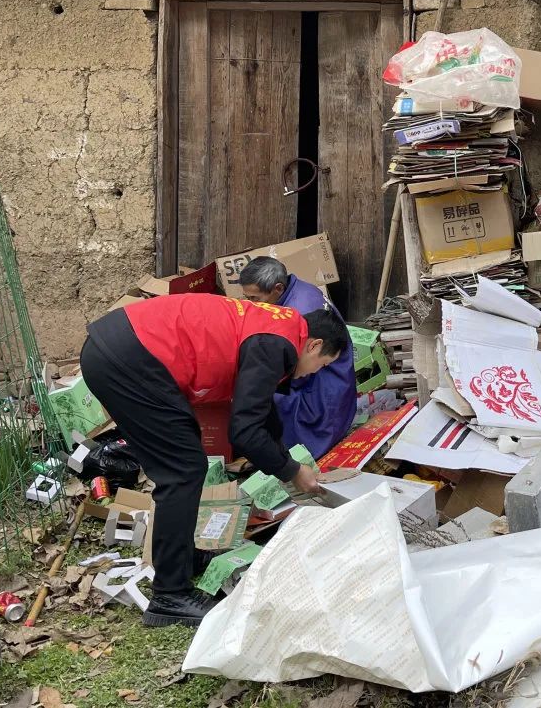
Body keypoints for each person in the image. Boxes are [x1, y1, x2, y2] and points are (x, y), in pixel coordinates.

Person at [80, 293, 348, 627]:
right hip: (128, 358)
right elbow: (244, 431)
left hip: (121, 349)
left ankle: (185, 558)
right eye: (322, 364)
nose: (314, 373)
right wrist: (292, 472)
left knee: (185, 461)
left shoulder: (279, 330)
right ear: (314, 345)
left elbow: (259, 412)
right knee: (183, 470)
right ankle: (170, 596)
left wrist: (284, 458)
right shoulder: (275, 344)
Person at [238, 257, 357, 460]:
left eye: (255, 298)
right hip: (318, 369)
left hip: (323, 383)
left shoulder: (299, 311)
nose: (250, 304)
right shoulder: (299, 289)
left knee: (259, 395)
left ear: (278, 288)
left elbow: (297, 369)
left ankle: (281, 458)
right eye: (246, 298)